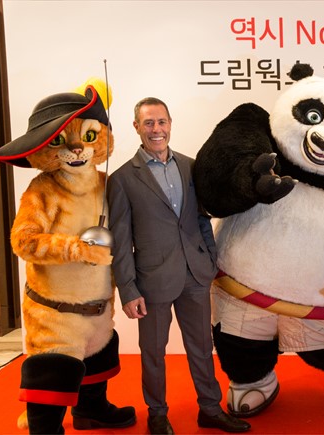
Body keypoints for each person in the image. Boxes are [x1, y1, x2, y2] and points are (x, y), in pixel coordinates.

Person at [108, 97, 251, 434]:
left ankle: (210, 409)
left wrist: (210, 259)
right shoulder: (122, 179)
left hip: (195, 275)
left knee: (201, 346)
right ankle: (157, 413)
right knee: (153, 351)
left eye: (161, 122)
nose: (156, 129)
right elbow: (120, 240)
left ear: (170, 124)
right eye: (148, 123)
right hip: (152, 281)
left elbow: (202, 219)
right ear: (137, 127)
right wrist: (128, 289)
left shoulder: (190, 167)